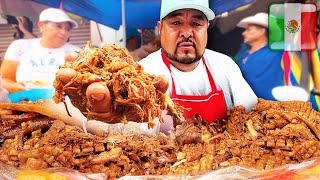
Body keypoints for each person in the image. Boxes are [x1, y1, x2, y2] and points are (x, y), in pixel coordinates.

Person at [56, 0, 257, 133]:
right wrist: (110, 122)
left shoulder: (225, 65)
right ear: (161, 30)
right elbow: (136, 133)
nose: (186, 32)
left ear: (206, 29)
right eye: (176, 23)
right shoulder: (144, 73)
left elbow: (253, 114)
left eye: (196, 24)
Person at [1, 8, 80, 94]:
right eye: (58, 26)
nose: (64, 32)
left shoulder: (75, 53)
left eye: (68, 29)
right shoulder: (20, 47)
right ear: (41, 26)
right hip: (23, 101)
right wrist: (16, 87)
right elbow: (5, 80)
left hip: (60, 104)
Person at [234, 13, 285, 101]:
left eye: (249, 30)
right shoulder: (242, 53)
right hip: (248, 107)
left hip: (273, 107)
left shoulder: (276, 51)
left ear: (262, 31)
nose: (243, 33)